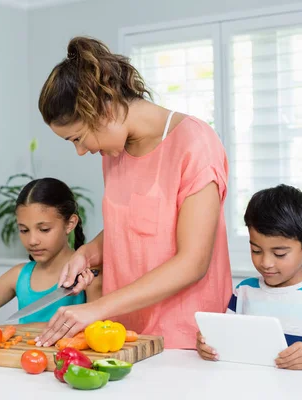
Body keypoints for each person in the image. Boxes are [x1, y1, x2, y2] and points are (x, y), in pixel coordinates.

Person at [34, 36, 233, 349]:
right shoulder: (114, 153)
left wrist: (96, 307)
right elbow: (133, 230)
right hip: (125, 335)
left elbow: (193, 262)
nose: (81, 151)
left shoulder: (195, 144)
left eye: (78, 138)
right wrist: (87, 254)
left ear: (104, 108)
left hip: (186, 339)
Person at [196, 184, 302, 370]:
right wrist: (209, 347)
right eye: (256, 250)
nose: (266, 262)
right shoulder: (244, 291)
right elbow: (227, 344)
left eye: (279, 253)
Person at [0, 177, 102, 336]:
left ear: (70, 224)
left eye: (44, 229)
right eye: (24, 230)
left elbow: (96, 332)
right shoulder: (18, 275)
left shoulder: (89, 275)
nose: (32, 241)